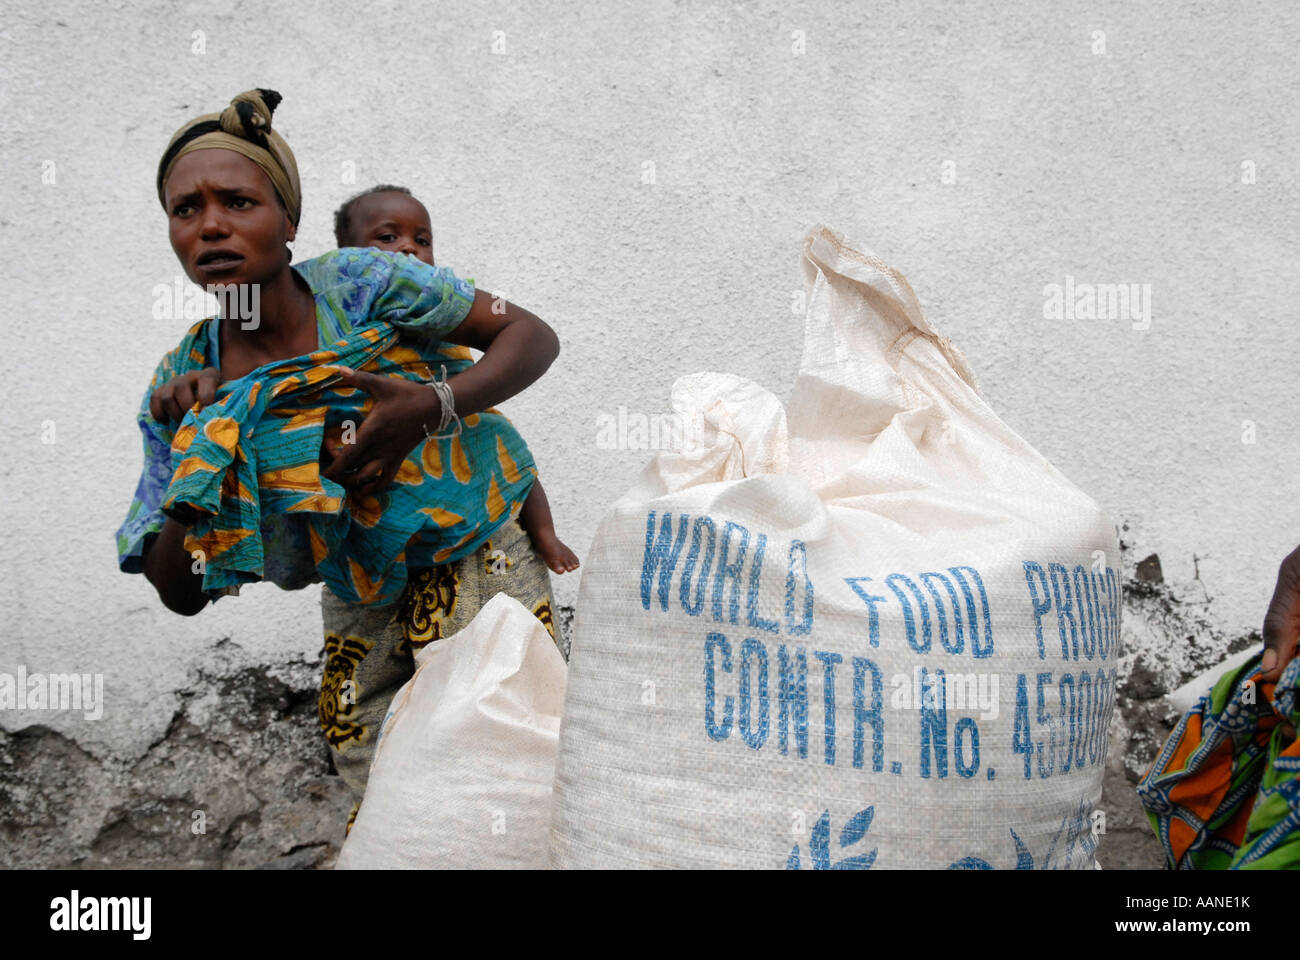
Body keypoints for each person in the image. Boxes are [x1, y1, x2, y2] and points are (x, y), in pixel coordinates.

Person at [116, 88, 564, 830]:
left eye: (238, 201)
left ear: (288, 220)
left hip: (478, 555)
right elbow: (180, 591)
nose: (212, 227)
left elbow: (532, 337)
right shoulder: (186, 385)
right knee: (385, 785)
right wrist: (200, 459)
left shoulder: (364, 285)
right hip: (360, 596)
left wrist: (428, 406)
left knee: (507, 767)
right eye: (186, 210)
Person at [331, 183, 579, 575]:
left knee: (506, 448)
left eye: (422, 239)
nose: (410, 248)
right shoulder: (341, 313)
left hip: (455, 416)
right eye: (388, 237)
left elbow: (521, 341)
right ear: (346, 256)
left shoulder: (439, 301)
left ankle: (545, 533)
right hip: (394, 438)